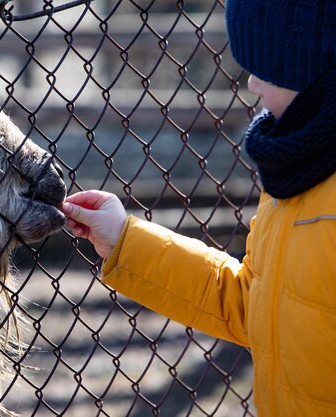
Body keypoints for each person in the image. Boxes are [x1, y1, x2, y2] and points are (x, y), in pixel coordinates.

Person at [60, 0, 336, 416]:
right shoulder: (294, 179)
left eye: (264, 70)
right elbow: (251, 305)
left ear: (310, 70)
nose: (253, 86)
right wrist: (124, 238)